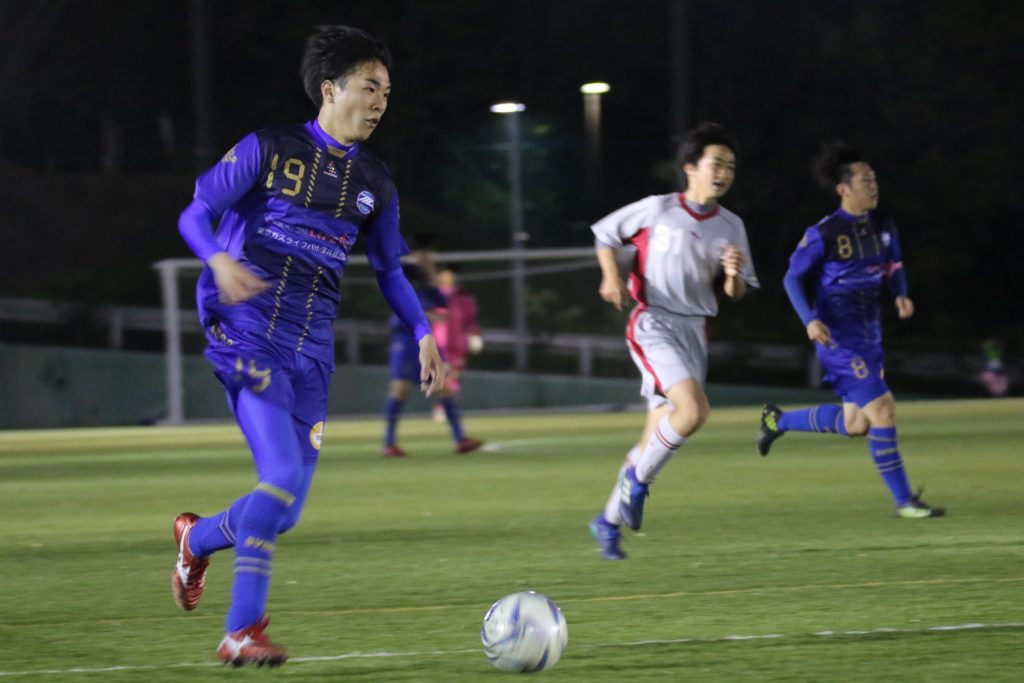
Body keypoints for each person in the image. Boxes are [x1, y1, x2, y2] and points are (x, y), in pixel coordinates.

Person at [171, 25, 447, 667]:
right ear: (330, 89)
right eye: (369, 87)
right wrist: (218, 261)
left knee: (284, 511)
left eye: (386, 92)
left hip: (311, 349)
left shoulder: (375, 182)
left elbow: (390, 272)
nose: (380, 102)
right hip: (246, 331)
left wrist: (425, 333)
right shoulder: (269, 148)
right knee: (282, 477)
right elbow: (194, 213)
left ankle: (197, 539)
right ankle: (242, 630)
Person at [587, 122, 759, 560]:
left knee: (655, 437)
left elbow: (736, 292)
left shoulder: (731, 226)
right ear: (690, 168)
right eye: (716, 163)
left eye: (731, 166)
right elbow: (605, 234)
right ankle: (637, 483)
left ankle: (607, 522)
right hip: (653, 323)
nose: (724, 173)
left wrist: (734, 273)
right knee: (693, 411)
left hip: (695, 330)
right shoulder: (658, 208)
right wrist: (611, 277)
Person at [757, 141, 944, 519]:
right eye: (865, 180)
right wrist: (809, 319)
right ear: (843, 188)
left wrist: (900, 294)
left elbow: (893, 266)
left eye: (874, 179)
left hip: (870, 336)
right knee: (883, 410)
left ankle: (777, 420)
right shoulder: (823, 233)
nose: (873, 185)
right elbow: (792, 278)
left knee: (855, 423)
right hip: (838, 339)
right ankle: (905, 501)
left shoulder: (883, 224)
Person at [381, 264, 483, 456]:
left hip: (425, 344)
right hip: (406, 345)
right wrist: (426, 317)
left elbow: (442, 303)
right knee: (400, 390)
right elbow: (399, 320)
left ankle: (460, 439)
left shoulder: (428, 291)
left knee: (444, 387)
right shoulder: (401, 291)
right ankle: (388, 443)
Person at [430, 263, 483, 422]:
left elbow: (471, 321)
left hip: (456, 345)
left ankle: (444, 408)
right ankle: (446, 406)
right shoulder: (431, 296)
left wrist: (474, 335)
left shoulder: (463, 298)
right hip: (435, 344)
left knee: (453, 377)